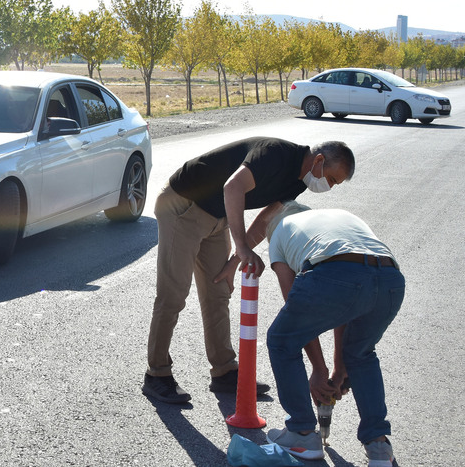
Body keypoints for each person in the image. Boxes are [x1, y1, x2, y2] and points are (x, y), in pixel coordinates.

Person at [142, 137, 355, 404]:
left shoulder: (298, 180)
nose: (329, 187)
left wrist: (234, 261)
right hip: (183, 205)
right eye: (332, 179)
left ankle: (224, 370)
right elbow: (233, 187)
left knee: (219, 291)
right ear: (319, 161)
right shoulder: (275, 154)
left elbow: (267, 216)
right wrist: (242, 246)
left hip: (216, 216)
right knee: (173, 293)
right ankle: (157, 374)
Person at [261, 201, 402, 466]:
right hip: (390, 280)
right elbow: (348, 303)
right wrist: (338, 368)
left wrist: (318, 369)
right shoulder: (339, 217)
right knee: (361, 354)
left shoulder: (280, 231)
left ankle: (301, 432)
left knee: (281, 340)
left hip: (336, 273)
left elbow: (295, 307)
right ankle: (379, 446)